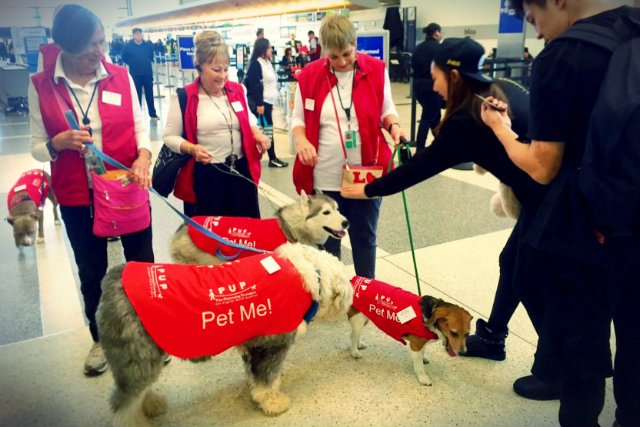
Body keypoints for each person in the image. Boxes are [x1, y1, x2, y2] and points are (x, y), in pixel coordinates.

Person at [481, 2, 638, 426]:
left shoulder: (564, 56)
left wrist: (501, 131)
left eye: (534, 18)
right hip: (634, 223)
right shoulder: (634, 27)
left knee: (581, 360)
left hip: (583, 231)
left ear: (557, 2)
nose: (539, 32)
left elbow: (543, 164)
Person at [28, 4, 154, 376]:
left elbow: (141, 124)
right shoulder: (42, 85)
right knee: (91, 270)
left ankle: (152, 329)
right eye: (89, 49)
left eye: (101, 42)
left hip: (125, 188)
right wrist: (58, 143)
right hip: (77, 196)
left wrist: (144, 157)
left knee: (142, 262)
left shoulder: (120, 76)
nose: (99, 53)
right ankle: (102, 340)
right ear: (65, 49)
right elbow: (36, 146)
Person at [292, 14, 403, 279]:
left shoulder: (375, 69)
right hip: (325, 175)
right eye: (333, 57)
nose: (341, 62)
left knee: (364, 236)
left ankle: (367, 292)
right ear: (324, 51)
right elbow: (297, 119)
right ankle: (333, 289)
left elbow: (387, 110)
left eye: (347, 54)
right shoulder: (309, 76)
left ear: (355, 44)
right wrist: (302, 140)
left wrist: (395, 127)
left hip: (365, 174)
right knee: (329, 240)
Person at [162, 30, 270, 218]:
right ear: (200, 66)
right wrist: (191, 148)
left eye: (226, 69)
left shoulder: (237, 90)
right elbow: (169, 137)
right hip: (207, 177)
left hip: (241, 172)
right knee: (209, 239)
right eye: (216, 70)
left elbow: (248, 118)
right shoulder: (184, 97)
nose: (223, 76)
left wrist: (257, 134)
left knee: (246, 232)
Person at [245, 38, 288, 168]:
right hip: (262, 104)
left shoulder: (267, 62)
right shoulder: (256, 64)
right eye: (269, 48)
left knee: (268, 130)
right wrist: (260, 104)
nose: (271, 50)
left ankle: (272, 157)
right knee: (262, 131)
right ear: (263, 49)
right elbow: (253, 85)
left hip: (269, 103)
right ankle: (268, 158)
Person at [412, 22, 444, 151]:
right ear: (436, 33)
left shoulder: (418, 48)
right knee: (427, 117)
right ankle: (420, 148)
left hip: (418, 86)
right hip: (432, 86)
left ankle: (439, 144)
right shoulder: (439, 49)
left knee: (434, 115)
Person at [121, 28, 158, 120]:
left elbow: (151, 55)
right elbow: (124, 57)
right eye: (136, 34)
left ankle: (152, 114)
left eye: (140, 34)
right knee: (137, 95)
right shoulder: (128, 46)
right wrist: (132, 63)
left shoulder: (147, 45)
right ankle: (138, 115)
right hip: (135, 74)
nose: (138, 36)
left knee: (149, 94)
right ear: (133, 35)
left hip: (147, 73)